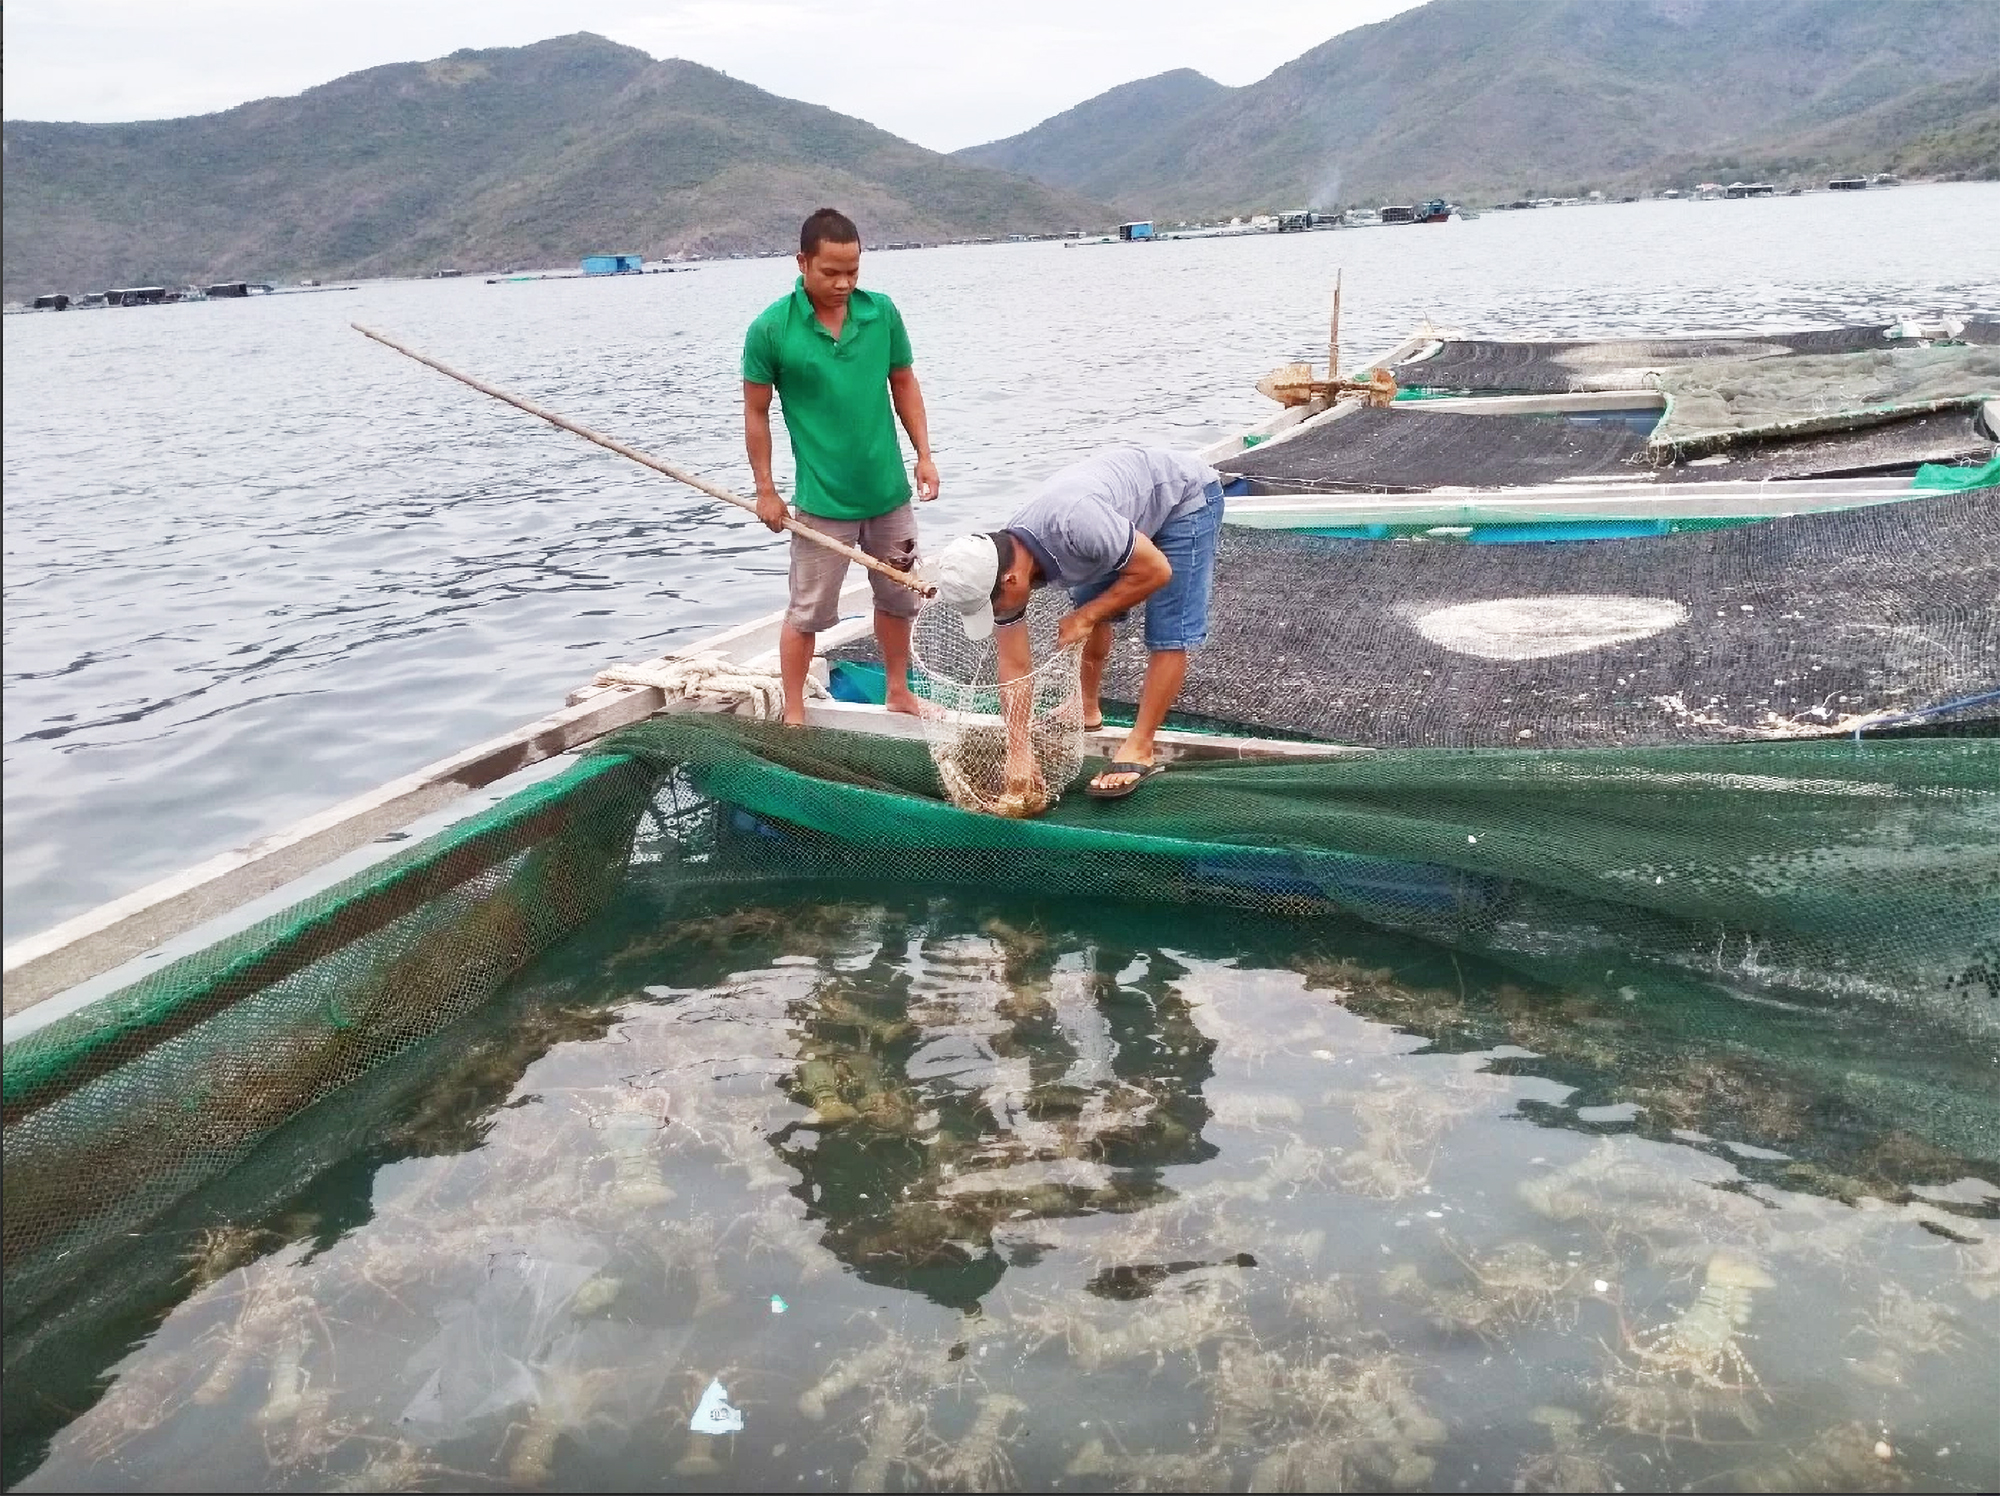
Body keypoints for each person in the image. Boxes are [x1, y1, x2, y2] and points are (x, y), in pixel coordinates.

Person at [923, 445, 1224, 800]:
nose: (998, 614)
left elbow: (1157, 570)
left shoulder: (1075, 526)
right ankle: (1086, 707)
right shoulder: (999, 565)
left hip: (1184, 499)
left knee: (1168, 630)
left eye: (993, 607)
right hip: (1114, 520)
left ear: (1011, 581)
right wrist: (1018, 751)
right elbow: (1014, 664)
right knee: (1087, 601)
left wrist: (1087, 616)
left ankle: (1141, 744)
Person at [744, 208, 940, 724]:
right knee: (807, 611)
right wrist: (766, 490)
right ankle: (792, 712)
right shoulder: (770, 329)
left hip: (888, 494)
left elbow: (904, 382)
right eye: (831, 271)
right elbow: (756, 413)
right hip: (821, 502)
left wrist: (924, 454)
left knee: (900, 599)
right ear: (802, 262)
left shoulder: (882, 314)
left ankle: (898, 691)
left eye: (853, 270)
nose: (844, 282)